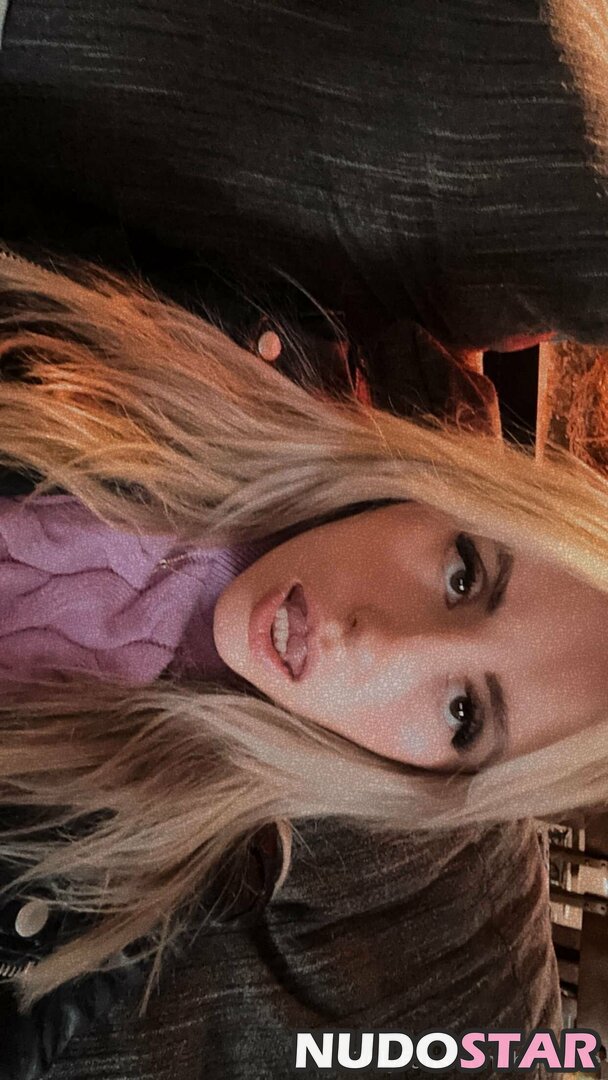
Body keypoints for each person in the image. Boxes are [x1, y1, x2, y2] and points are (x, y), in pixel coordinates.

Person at [0, 245, 606, 1030]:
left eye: (463, 715)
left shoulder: (124, 883)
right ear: (449, 489)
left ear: (430, 783)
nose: (382, 642)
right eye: (463, 574)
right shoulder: (224, 335)